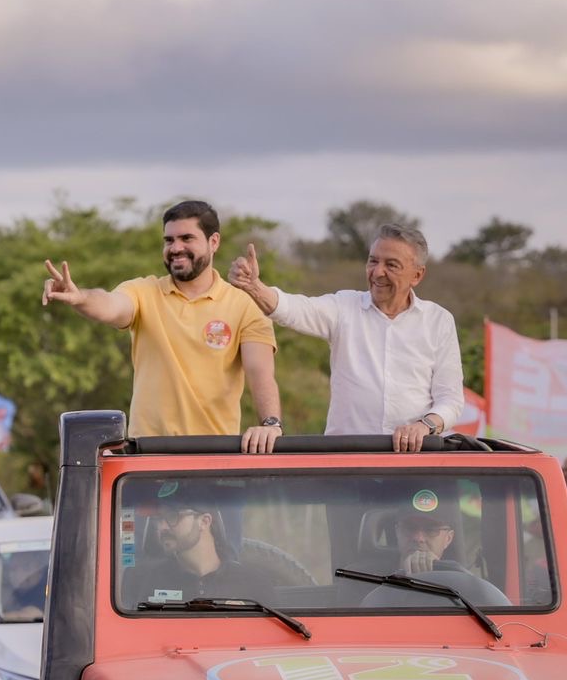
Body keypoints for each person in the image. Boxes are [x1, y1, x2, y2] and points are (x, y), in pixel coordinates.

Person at [41, 199, 283, 454]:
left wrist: (270, 424)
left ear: (214, 242)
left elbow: (261, 373)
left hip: (214, 456)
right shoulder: (143, 291)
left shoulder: (245, 304)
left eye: (187, 238)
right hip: (148, 459)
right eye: (169, 240)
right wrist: (81, 298)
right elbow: (110, 306)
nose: (176, 248)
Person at [228, 223, 462, 453]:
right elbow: (293, 309)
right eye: (373, 261)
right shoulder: (344, 307)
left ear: (417, 275)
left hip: (415, 463)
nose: (378, 272)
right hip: (348, 462)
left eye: (392, 265)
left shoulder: (438, 321)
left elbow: (450, 400)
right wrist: (255, 287)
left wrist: (425, 426)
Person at [125, 481, 273, 606]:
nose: (162, 527)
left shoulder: (253, 581)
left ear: (204, 521)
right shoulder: (144, 581)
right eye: (158, 519)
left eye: (172, 516)